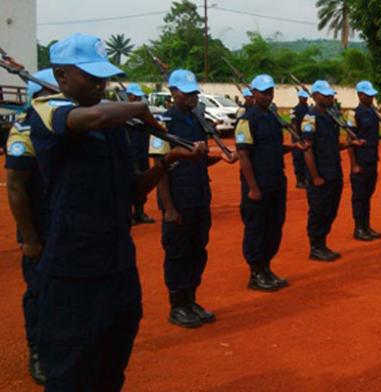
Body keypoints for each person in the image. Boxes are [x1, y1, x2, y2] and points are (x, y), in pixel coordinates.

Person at [27, 33, 205, 390]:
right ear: (62, 77)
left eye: (103, 76)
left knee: (112, 364)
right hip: (72, 267)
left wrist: (168, 160)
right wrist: (140, 108)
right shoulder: (47, 110)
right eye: (90, 76)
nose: (100, 83)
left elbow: (133, 189)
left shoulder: (113, 128)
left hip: (118, 263)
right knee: (71, 371)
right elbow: (92, 118)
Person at [149, 69, 237, 329]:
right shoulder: (164, 123)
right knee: (178, 252)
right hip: (178, 198)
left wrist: (219, 158)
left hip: (199, 196)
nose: (192, 97)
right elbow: (159, 165)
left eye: (194, 93)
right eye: (186, 93)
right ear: (173, 92)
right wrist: (168, 207)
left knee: (198, 250)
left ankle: (191, 300)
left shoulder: (197, 119)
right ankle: (177, 305)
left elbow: (198, 158)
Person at [5, 68, 56, 385]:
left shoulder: (65, 128)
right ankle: (37, 350)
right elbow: (15, 188)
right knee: (40, 291)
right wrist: (30, 238)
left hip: (66, 223)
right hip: (39, 226)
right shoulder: (25, 131)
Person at [235, 74, 297, 291]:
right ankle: (255, 273)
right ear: (253, 93)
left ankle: (266, 268)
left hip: (275, 181)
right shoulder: (246, 120)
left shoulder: (272, 117)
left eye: (270, 92)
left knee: (274, 226)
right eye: (263, 92)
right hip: (257, 184)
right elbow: (243, 156)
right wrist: (252, 187)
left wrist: (293, 148)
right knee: (257, 228)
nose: (268, 96)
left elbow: (274, 148)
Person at [301, 80, 364, 261]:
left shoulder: (331, 117)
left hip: (334, 170)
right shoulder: (310, 119)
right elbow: (308, 149)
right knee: (318, 210)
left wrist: (349, 144)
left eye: (330, 94)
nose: (329, 97)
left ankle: (322, 242)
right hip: (320, 173)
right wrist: (315, 176)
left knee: (331, 209)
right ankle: (316, 246)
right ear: (315, 96)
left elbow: (332, 144)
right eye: (325, 94)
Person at [347, 80, 381, 240]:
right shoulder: (354, 114)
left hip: (371, 159)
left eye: (372, 96)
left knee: (368, 194)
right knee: (359, 195)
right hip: (360, 162)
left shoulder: (371, 112)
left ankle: (366, 226)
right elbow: (350, 140)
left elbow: (371, 136)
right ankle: (359, 228)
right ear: (360, 95)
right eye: (368, 95)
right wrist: (354, 164)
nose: (371, 98)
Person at [124, 83, 155, 225]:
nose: (136, 98)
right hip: (128, 155)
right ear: (128, 96)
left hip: (142, 152)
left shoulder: (144, 112)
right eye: (133, 96)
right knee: (128, 184)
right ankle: (128, 214)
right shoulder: (122, 113)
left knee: (142, 183)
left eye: (138, 96)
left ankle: (140, 211)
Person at [291, 90, 311, 189]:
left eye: (306, 97)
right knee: (298, 160)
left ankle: (306, 179)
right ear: (299, 98)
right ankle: (299, 181)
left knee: (307, 160)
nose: (305, 99)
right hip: (298, 138)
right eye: (303, 97)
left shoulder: (309, 109)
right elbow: (294, 124)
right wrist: (298, 137)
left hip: (306, 136)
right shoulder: (294, 110)